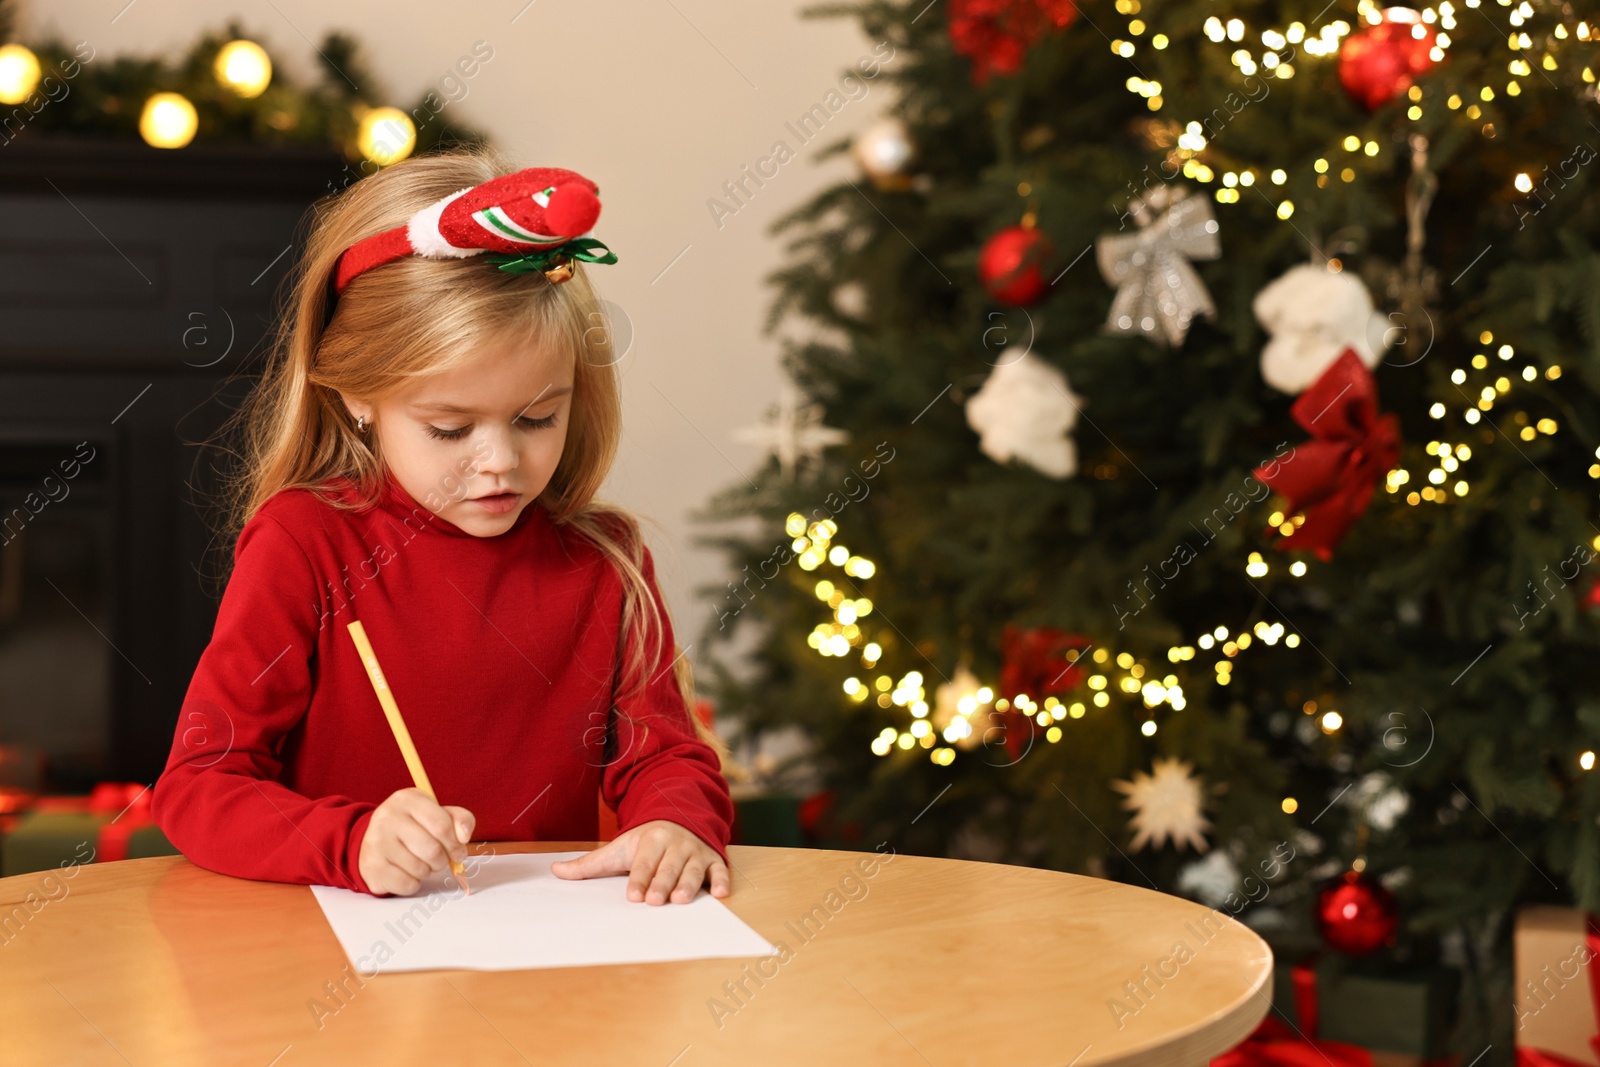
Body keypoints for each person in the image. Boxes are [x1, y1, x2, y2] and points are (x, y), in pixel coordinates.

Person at [151, 148, 734, 906]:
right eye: (450, 428)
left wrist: (677, 823)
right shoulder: (304, 544)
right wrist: (351, 842)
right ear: (358, 397)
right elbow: (198, 786)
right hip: (325, 968)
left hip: (540, 964)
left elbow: (668, 761)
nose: (499, 461)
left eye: (537, 417)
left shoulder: (606, 561)